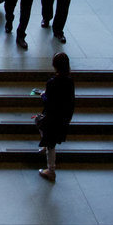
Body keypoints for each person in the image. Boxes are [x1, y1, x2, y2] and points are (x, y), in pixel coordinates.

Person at [35, 52, 75, 180]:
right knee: (43, 127)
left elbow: (49, 100)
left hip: (52, 117)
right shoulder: (69, 81)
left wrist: (43, 95)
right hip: (64, 116)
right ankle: (45, 146)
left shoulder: (52, 82)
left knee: (50, 142)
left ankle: (51, 170)